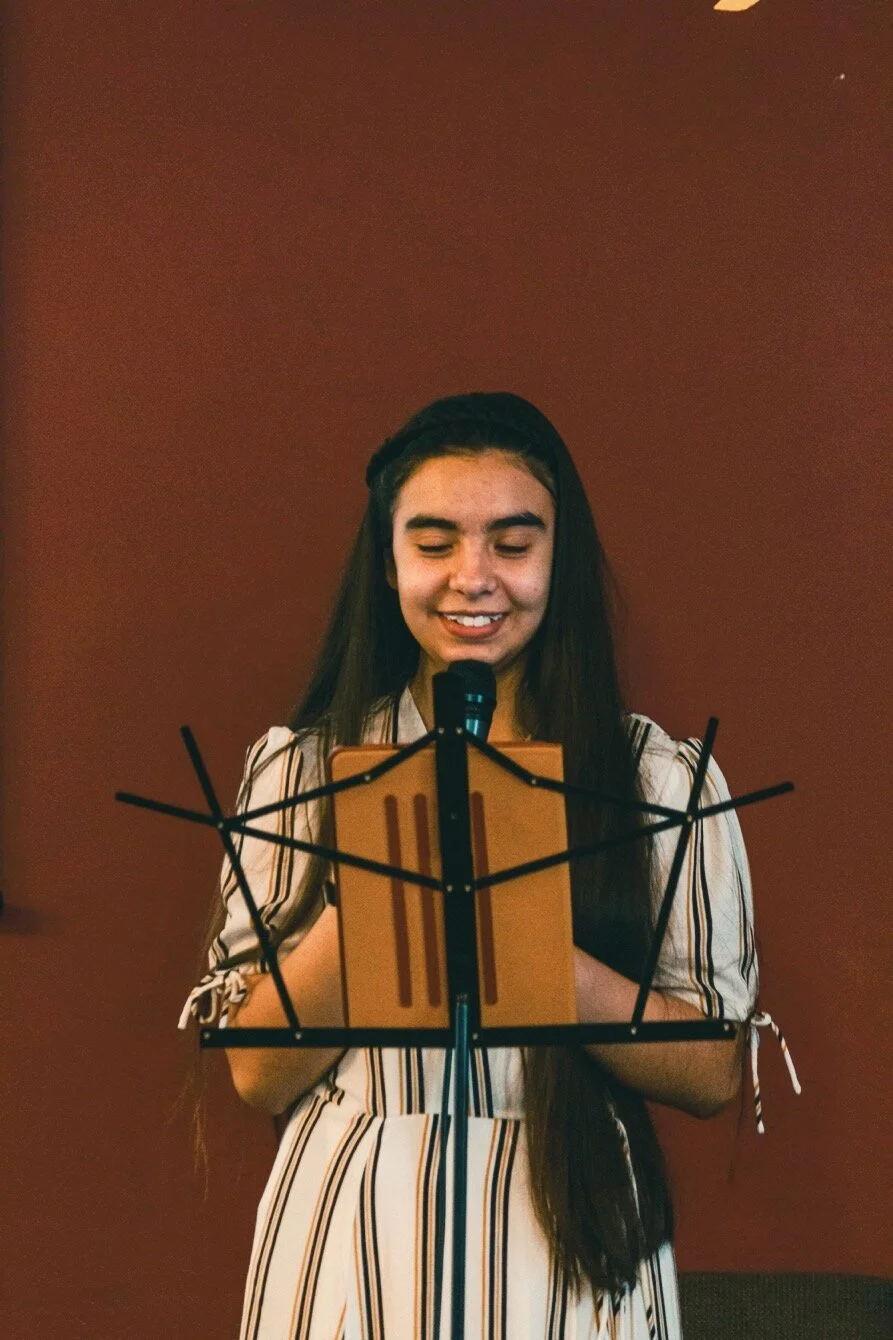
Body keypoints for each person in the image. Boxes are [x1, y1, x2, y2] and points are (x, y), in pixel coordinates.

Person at [180, 392, 764, 1339]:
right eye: (435, 540)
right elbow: (257, 1075)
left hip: (570, 1217)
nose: (473, 577)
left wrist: (525, 940)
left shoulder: (659, 778)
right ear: (388, 562)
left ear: (556, 559)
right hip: (354, 1211)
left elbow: (709, 1072)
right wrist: (390, 864)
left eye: (512, 541)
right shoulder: (302, 766)